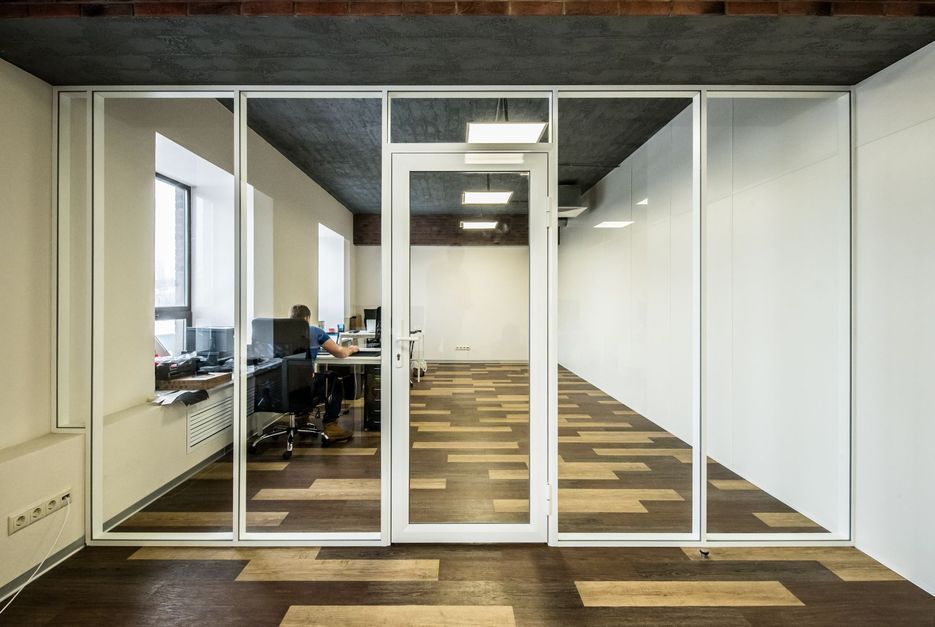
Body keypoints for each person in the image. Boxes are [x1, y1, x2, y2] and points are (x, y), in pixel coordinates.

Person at [289, 304, 358, 442]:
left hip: (279, 388)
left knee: (304, 378)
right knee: (333, 380)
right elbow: (340, 353)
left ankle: (301, 419)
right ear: (307, 318)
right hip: (305, 387)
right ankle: (331, 425)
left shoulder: (277, 333)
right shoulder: (314, 331)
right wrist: (351, 349)